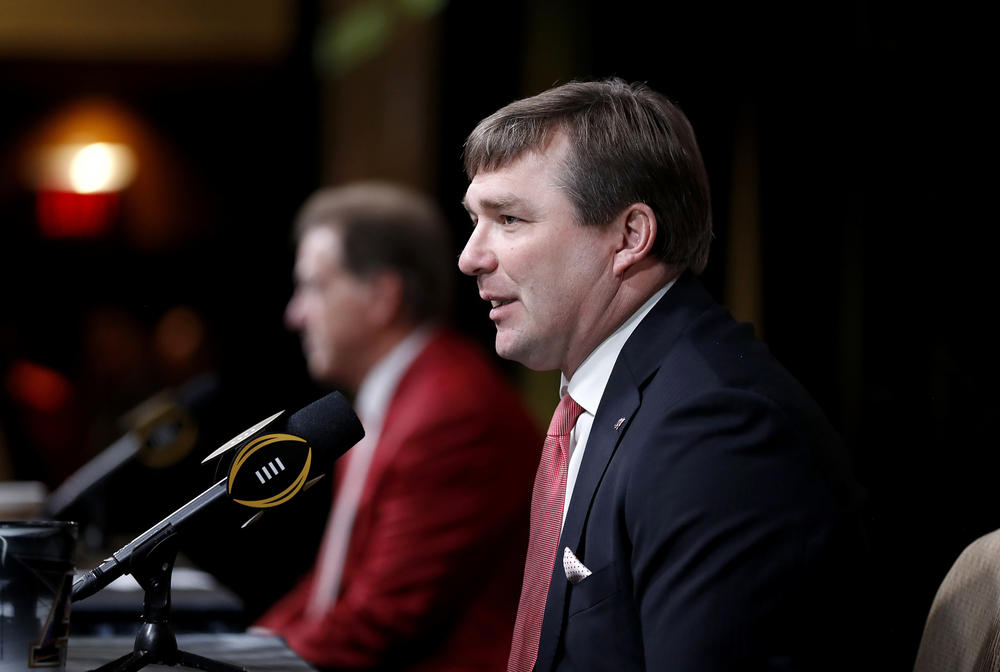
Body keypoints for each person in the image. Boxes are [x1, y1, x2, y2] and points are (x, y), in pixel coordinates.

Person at [457, 78, 869, 671]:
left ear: (630, 236)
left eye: (510, 219)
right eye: (475, 218)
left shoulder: (714, 430)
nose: (472, 256)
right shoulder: (631, 391)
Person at [253, 182, 541, 671]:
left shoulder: (450, 413)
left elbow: (380, 617)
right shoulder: (395, 398)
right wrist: (237, 649)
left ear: (382, 296)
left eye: (314, 287)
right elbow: (337, 584)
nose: (295, 314)